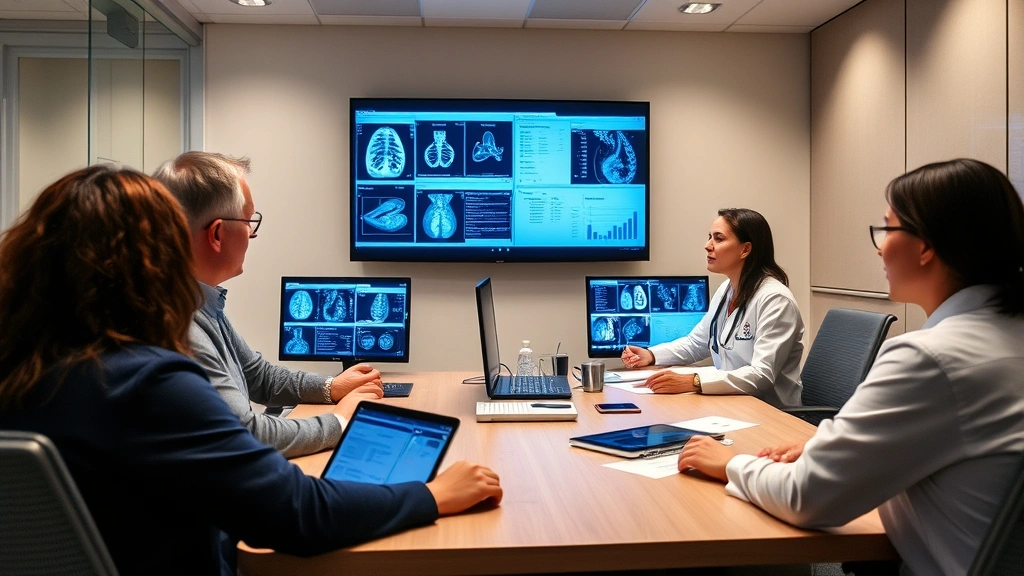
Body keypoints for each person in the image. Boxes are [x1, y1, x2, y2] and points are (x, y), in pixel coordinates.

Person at [0, 166, 502, 575]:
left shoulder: (24, 369)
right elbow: (295, 515)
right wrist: (432, 495)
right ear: (150, 260)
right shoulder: (147, 382)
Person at [680, 159, 1024, 576]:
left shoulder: (927, 357)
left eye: (887, 229)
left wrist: (729, 463)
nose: (879, 247)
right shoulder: (999, 340)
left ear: (926, 245)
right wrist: (826, 443)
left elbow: (806, 497)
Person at [152, 151, 379, 458]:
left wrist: (331, 387)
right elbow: (246, 433)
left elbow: (259, 377)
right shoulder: (179, 325)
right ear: (218, 233)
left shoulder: (200, 302)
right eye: (248, 221)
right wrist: (341, 421)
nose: (252, 233)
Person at [621, 208, 804, 407]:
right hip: (732, 404)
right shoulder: (727, 289)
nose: (708, 246)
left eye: (719, 238)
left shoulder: (775, 300)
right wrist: (651, 355)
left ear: (745, 249)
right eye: (710, 237)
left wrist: (694, 382)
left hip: (771, 414)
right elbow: (697, 343)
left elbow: (761, 376)